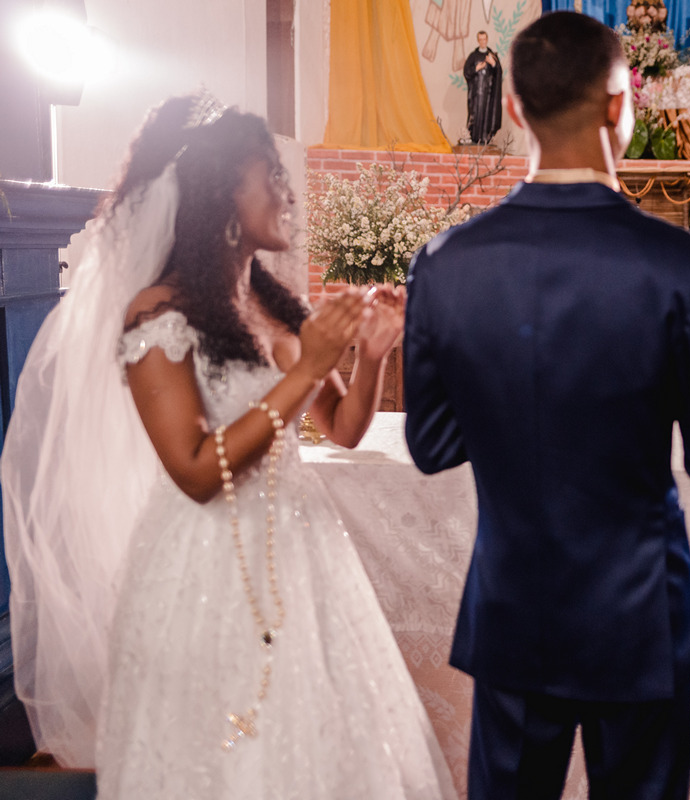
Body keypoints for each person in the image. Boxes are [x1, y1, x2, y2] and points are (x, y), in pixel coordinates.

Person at [0, 94, 456, 798]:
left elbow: (341, 427)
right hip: (205, 564)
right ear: (215, 191)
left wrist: (369, 356)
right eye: (268, 175)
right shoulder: (157, 312)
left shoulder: (274, 302)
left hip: (304, 551)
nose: (287, 191)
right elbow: (193, 469)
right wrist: (306, 367)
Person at [403, 11, 690, 800]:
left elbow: (430, 443)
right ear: (618, 102)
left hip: (511, 611)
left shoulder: (446, 264)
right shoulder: (682, 265)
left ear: (516, 109)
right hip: (640, 618)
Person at [464, 30, 503, 145]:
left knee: (487, 114)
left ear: (487, 40)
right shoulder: (473, 56)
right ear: (478, 41)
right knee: (475, 114)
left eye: (484, 39)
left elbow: (499, 72)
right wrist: (476, 69)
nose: (482, 42)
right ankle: (474, 137)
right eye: (480, 40)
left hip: (488, 94)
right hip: (476, 94)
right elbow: (466, 72)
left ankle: (486, 137)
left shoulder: (492, 56)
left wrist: (494, 64)